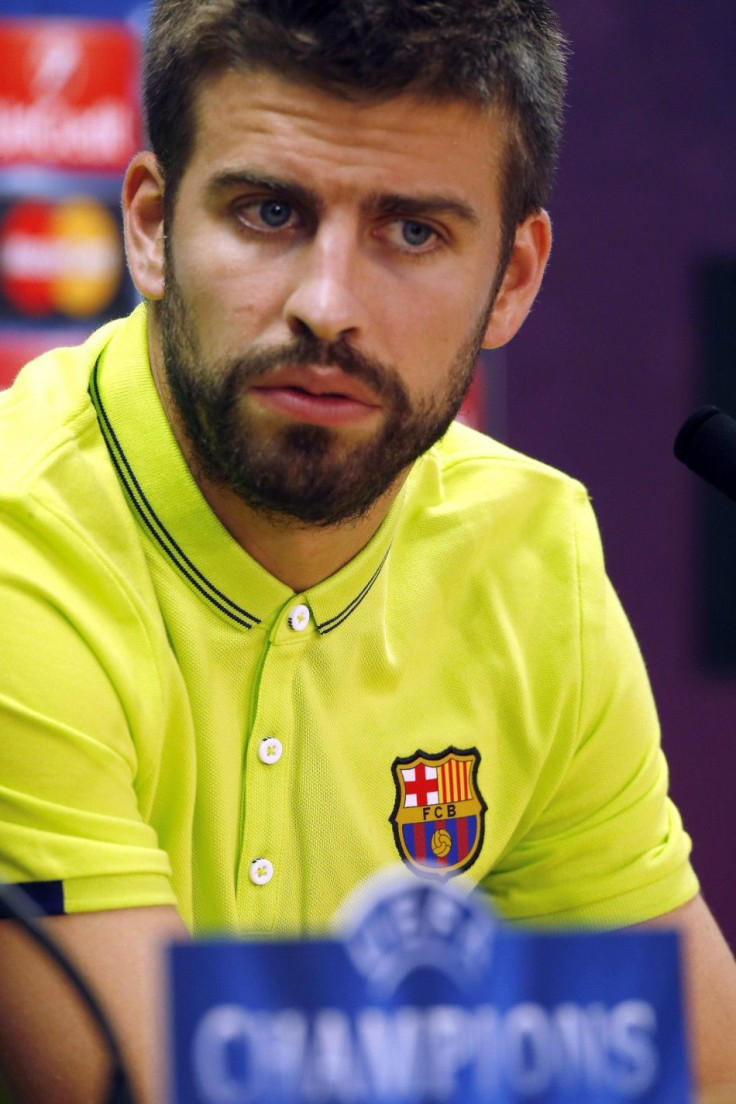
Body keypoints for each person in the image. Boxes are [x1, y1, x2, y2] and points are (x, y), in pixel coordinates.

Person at [0, 0, 734, 1100]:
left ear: (516, 275)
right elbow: (142, 1082)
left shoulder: (526, 551)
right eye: (269, 211)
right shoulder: (23, 546)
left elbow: (694, 1063)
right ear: (149, 226)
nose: (328, 305)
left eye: (412, 232)